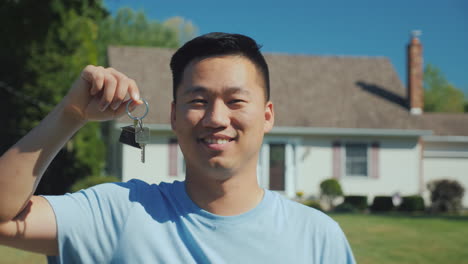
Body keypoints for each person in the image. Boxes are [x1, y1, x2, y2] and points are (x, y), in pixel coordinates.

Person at [0, 32, 356, 263]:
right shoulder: (118, 213)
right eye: (198, 100)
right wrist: (70, 114)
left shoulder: (318, 238)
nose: (216, 118)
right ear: (173, 115)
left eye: (235, 101)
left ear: (267, 116)